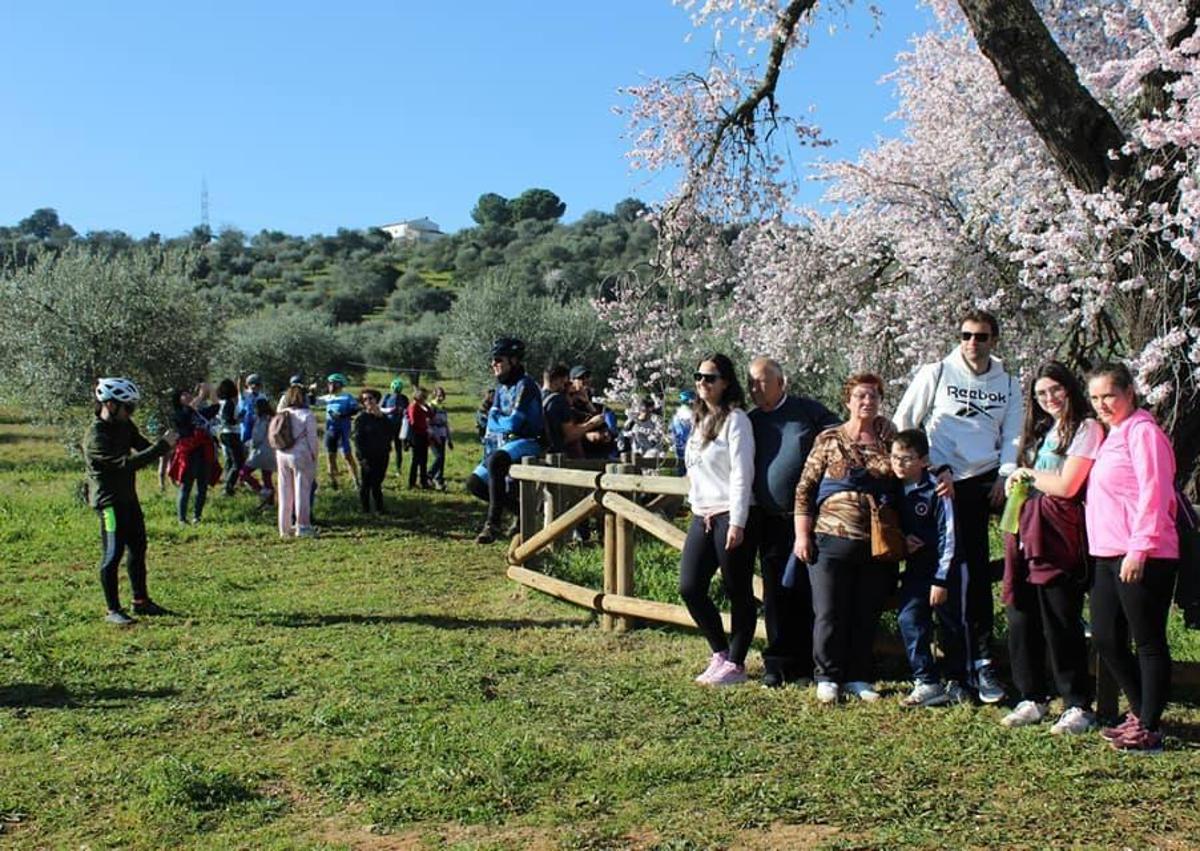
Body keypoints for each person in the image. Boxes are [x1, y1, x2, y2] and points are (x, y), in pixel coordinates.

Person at [893, 309, 1023, 704]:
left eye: (981, 336)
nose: (972, 343)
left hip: (984, 482)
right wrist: (929, 467)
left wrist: (1005, 473)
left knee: (978, 575)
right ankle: (953, 668)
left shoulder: (1008, 382)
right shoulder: (937, 372)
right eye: (966, 335)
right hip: (942, 480)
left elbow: (1013, 433)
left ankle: (981, 663)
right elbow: (905, 421)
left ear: (993, 340)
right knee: (948, 575)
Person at [999, 362, 1103, 733]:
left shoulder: (1086, 429)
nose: (1050, 399)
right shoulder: (1044, 432)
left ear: (1070, 389)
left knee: (1060, 618)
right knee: (1021, 614)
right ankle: (1032, 696)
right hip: (1027, 532)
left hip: (1058, 538)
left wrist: (1025, 475)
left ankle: (1077, 703)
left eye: (1055, 390)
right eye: (1041, 394)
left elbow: (1068, 484)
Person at [1086, 363, 1179, 753]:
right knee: (1106, 637)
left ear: (1129, 393)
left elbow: (1155, 493)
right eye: (1095, 397)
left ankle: (1150, 726)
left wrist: (1139, 547)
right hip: (1107, 552)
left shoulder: (1143, 432)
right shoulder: (1114, 434)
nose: (1102, 404)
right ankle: (1142, 712)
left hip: (1143, 552)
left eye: (1109, 395)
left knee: (1148, 641)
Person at [795, 373, 899, 703]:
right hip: (829, 537)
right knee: (828, 610)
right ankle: (827, 675)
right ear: (848, 401)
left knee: (865, 610)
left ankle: (859, 675)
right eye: (860, 396)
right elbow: (805, 489)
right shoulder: (829, 439)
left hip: (875, 541)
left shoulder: (887, 439)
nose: (867, 402)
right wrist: (802, 535)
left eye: (873, 396)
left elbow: (904, 477)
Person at [745, 357, 841, 688]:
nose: (754, 388)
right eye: (751, 382)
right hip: (770, 521)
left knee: (806, 592)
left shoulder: (807, 411)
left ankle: (804, 665)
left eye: (761, 381)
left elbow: (841, 433)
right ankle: (776, 663)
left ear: (781, 383)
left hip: (807, 521)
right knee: (775, 593)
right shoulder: (751, 420)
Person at [681, 353, 757, 686]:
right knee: (690, 586)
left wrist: (738, 521)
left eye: (709, 377)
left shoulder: (736, 420)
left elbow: (743, 473)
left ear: (725, 381)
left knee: (737, 589)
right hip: (702, 513)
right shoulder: (698, 419)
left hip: (730, 512)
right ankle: (720, 651)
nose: (702, 383)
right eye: (698, 377)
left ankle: (737, 663)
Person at [84, 378, 178, 625]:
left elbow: (143, 447)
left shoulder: (125, 425)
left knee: (138, 547)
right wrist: (160, 448)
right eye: (128, 407)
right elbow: (125, 465)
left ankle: (141, 601)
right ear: (110, 405)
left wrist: (168, 446)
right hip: (109, 502)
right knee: (112, 554)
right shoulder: (96, 437)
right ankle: (112, 609)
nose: (131, 412)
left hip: (128, 498)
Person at [891, 429, 968, 707]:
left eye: (907, 458)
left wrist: (941, 579)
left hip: (945, 570)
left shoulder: (937, 488)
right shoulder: (893, 487)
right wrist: (900, 539)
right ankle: (926, 681)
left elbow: (949, 536)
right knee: (909, 619)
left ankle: (959, 680)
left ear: (924, 460)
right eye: (895, 457)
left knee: (952, 623)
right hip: (915, 570)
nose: (899, 464)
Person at [469, 338, 545, 544]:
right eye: (492, 360)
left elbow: (513, 424)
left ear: (513, 361)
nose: (493, 364)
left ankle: (492, 524)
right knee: (475, 483)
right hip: (507, 443)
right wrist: (499, 422)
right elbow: (490, 425)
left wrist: (498, 421)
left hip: (529, 441)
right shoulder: (501, 389)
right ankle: (521, 510)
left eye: (498, 359)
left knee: (496, 462)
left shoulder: (526, 385)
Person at [167, 387, 220, 524]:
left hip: (203, 454)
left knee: (202, 487)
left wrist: (211, 388)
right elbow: (185, 416)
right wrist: (201, 396)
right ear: (178, 399)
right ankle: (182, 519)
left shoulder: (198, 413)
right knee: (186, 487)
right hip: (188, 454)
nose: (188, 395)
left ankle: (197, 516)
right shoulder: (178, 413)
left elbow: (215, 407)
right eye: (184, 394)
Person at [276, 383, 319, 538]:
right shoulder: (307, 414)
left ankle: (284, 528)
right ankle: (303, 526)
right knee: (302, 491)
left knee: (284, 492)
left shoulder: (282, 412)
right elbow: (312, 440)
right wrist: (314, 457)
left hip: (281, 454)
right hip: (301, 455)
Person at [314, 373, 360, 491]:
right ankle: (334, 482)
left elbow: (356, 409)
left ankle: (357, 481)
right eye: (329, 383)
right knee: (330, 457)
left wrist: (343, 415)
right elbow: (313, 401)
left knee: (347, 456)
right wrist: (311, 391)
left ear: (339, 384)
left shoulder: (347, 397)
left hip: (343, 431)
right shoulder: (327, 397)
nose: (329, 385)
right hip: (330, 431)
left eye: (332, 383)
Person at [352, 388, 393, 513]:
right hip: (367, 457)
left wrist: (381, 417)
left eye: (370, 398)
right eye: (365, 399)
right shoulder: (361, 419)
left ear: (376, 400)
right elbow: (357, 439)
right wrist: (361, 458)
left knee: (378, 482)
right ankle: (366, 509)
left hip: (382, 454)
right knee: (366, 483)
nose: (368, 401)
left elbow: (390, 433)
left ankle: (380, 508)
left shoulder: (383, 418)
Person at [214, 378, 247, 497]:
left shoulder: (220, 403)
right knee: (238, 462)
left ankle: (227, 484)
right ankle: (228, 487)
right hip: (231, 433)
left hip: (223, 433)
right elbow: (229, 420)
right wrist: (239, 419)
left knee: (229, 460)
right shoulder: (229, 403)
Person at [244, 396, 276, 508]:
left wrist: (248, 444)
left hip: (260, 453)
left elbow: (257, 438)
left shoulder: (261, 420)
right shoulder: (273, 418)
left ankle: (262, 491)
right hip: (272, 453)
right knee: (267, 478)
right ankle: (270, 503)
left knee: (244, 473)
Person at [382, 377, 409, 481]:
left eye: (398, 389)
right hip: (388, 425)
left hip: (400, 426)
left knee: (398, 449)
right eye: (395, 389)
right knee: (385, 448)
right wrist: (389, 410)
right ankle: (384, 469)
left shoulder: (404, 398)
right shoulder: (387, 396)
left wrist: (404, 411)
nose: (396, 392)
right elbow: (380, 408)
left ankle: (398, 469)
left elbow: (408, 411)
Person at [427, 386, 453, 491]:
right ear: (434, 395)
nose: (441, 397)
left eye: (442, 395)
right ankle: (429, 475)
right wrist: (432, 435)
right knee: (439, 457)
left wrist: (449, 439)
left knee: (442, 459)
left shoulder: (442, 407)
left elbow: (446, 424)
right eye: (439, 395)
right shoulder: (431, 406)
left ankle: (439, 479)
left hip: (442, 435)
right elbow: (428, 422)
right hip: (434, 435)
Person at [407, 387, 432, 489]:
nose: (425, 398)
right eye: (423, 396)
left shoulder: (422, 406)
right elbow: (413, 421)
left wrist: (426, 406)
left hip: (423, 435)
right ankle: (412, 482)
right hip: (416, 436)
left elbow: (431, 414)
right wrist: (424, 426)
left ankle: (423, 481)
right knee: (416, 460)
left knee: (424, 460)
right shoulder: (413, 406)